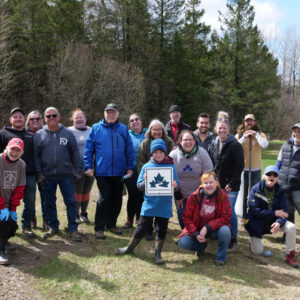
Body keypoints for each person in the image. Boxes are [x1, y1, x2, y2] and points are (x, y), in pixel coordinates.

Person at [116, 139, 179, 264]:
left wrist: (175, 185)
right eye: (155, 152)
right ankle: (129, 248)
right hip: (149, 204)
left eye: (161, 152)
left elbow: (177, 185)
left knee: (161, 229)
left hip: (164, 205)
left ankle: (158, 254)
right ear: (151, 154)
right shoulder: (146, 167)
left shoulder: (171, 167)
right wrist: (145, 181)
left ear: (165, 153)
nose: (158, 155)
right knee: (142, 227)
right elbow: (139, 186)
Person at [84, 103, 134, 240]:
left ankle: (111, 224)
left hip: (119, 172)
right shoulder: (96, 128)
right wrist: (88, 166)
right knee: (104, 198)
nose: (111, 115)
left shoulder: (123, 129)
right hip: (102, 171)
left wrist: (130, 167)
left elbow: (129, 150)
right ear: (104, 114)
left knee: (117, 199)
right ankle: (99, 227)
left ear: (118, 114)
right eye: (108, 112)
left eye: (113, 112)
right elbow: (89, 149)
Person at [34, 107, 82, 242]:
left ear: (59, 117)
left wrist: (78, 170)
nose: (51, 118)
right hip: (47, 175)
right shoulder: (39, 135)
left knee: (71, 202)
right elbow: (36, 157)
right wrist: (39, 173)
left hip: (66, 175)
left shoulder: (67, 133)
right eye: (48, 116)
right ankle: (53, 227)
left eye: (54, 115)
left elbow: (75, 152)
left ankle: (73, 229)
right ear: (45, 119)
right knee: (49, 202)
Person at [245, 166, 298, 268]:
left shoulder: (280, 191)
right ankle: (252, 240)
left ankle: (290, 254)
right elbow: (254, 210)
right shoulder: (255, 189)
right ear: (264, 176)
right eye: (269, 174)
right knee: (258, 252)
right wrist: (274, 213)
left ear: (278, 178)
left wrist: (279, 222)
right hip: (256, 223)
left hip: (273, 222)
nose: (272, 176)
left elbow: (284, 212)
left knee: (291, 227)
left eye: (275, 175)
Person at [177, 171, 231, 266]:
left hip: (214, 230)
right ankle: (201, 246)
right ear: (202, 184)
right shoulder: (194, 197)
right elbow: (186, 217)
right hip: (197, 230)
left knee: (225, 231)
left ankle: (220, 257)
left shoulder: (223, 196)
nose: (209, 185)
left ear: (216, 183)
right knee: (183, 242)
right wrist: (195, 234)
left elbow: (225, 217)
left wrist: (207, 227)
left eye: (211, 182)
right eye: (206, 183)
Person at [209, 118, 244, 251]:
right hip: (217, 184)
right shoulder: (214, 142)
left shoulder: (235, 145)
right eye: (219, 128)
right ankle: (222, 234)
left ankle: (233, 239)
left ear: (229, 129)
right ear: (216, 129)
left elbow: (240, 165)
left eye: (224, 128)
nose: (222, 130)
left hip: (231, 186)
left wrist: (232, 183)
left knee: (228, 211)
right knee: (219, 211)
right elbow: (212, 162)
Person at [0, 108, 36, 238]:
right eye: (15, 116)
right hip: (6, 174)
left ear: (24, 119)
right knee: (6, 200)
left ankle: (26, 226)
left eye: (21, 116)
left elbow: (36, 155)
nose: (18, 118)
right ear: (10, 120)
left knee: (30, 201)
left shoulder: (30, 135)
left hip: (28, 173)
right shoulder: (3, 133)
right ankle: (5, 225)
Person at [137, 119, 173, 240]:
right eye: (154, 129)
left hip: (165, 176)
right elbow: (141, 161)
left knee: (161, 204)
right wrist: (146, 174)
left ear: (163, 130)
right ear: (150, 131)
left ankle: (160, 227)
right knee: (149, 203)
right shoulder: (145, 143)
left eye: (159, 129)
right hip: (149, 176)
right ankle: (148, 230)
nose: (157, 131)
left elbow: (172, 159)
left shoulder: (169, 142)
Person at [169, 130, 213, 229]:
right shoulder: (173, 155)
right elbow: (169, 176)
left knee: (199, 215)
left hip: (199, 193)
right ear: (180, 141)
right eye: (185, 140)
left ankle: (199, 233)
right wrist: (177, 195)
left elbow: (208, 173)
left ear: (195, 141)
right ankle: (186, 234)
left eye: (191, 139)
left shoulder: (202, 153)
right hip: (180, 194)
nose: (188, 142)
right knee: (182, 214)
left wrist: (201, 192)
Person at [236, 114, 269, 219]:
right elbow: (234, 147)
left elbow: (265, 145)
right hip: (243, 170)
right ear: (244, 123)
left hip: (256, 170)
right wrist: (244, 138)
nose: (249, 123)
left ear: (255, 122)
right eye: (247, 121)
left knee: (255, 194)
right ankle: (244, 216)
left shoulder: (261, 134)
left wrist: (257, 135)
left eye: (251, 121)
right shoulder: (239, 135)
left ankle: (253, 215)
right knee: (243, 195)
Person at [0, 138, 26, 265]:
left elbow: (19, 188)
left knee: (12, 225)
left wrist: (13, 209)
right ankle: (0, 251)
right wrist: (1, 207)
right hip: (0, 202)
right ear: (6, 148)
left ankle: (3, 240)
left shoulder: (22, 165)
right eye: (12, 149)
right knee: (4, 223)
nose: (15, 153)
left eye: (18, 151)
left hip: (7, 202)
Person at [69, 109, 94, 224]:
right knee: (77, 192)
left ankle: (84, 213)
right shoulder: (69, 131)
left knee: (86, 191)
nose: (79, 119)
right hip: (76, 168)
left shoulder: (91, 130)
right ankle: (76, 214)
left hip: (90, 167)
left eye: (81, 117)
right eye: (76, 118)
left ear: (85, 118)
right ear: (72, 120)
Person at [123, 113, 147, 228]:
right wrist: (128, 168)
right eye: (131, 120)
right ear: (129, 124)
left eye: (137, 119)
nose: (134, 122)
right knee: (133, 195)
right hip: (130, 171)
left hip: (145, 170)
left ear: (141, 121)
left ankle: (139, 218)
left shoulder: (148, 133)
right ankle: (129, 219)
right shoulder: (126, 135)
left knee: (142, 195)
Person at [25, 110, 48, 231]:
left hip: (44, 171)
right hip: (29, 171)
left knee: (45, 197)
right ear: (28, 121)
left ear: (41, 120)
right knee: (30, 198)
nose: (35, 121)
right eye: (32, 119)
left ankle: (46, 220)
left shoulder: (47, 133)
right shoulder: (24, 134)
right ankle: (31, 219)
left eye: (37, 119)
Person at [277, 123, 300, 239]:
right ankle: (288, 236)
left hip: (298, 188)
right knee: (288, 212)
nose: (297, 134)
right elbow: (279, 164)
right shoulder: (285, 146)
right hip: (284, 186)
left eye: (299, 131)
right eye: (295, 131)